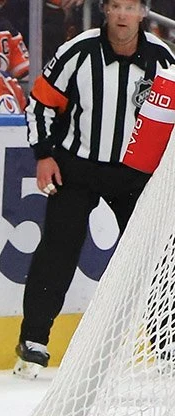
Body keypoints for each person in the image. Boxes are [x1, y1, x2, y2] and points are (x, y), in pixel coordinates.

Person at [16, 0, 174, 377]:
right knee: (58, 251)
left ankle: (166, 344)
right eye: (115, 6)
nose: (122, 15)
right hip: (77, 168)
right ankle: (33, 341)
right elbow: (40, 104)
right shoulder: (78, 50)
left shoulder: (163, 58)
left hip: (136, 175)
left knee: (155, 256)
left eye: (130, 7)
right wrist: (44, 154)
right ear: (105, 10)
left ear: (143, 13)